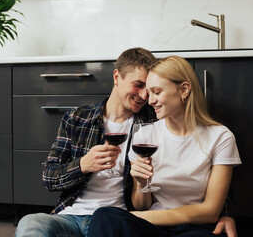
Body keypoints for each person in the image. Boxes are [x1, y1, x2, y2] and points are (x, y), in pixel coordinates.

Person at [15, 48, 238, 237]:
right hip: (73, 216)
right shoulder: (77, 118)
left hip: (119, 217)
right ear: (116, 77)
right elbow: (48, 178)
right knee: (30, 224)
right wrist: (84, 165)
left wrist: (224, 212)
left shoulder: (151, 122)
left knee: (106, 217)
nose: (145, 97)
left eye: (152, 90)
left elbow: (195, 157)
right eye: (139, 85)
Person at [88, 56, 242, 237]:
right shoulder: (144, 135)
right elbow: (141, 205)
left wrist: (141, 216)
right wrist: (140, 181)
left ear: (184, 89)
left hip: (194, 228)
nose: (150, 100)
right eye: (149, 92)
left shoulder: (220, 137)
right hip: (153, 227)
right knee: (104, 216)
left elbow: (210, 212)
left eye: (157, 92)